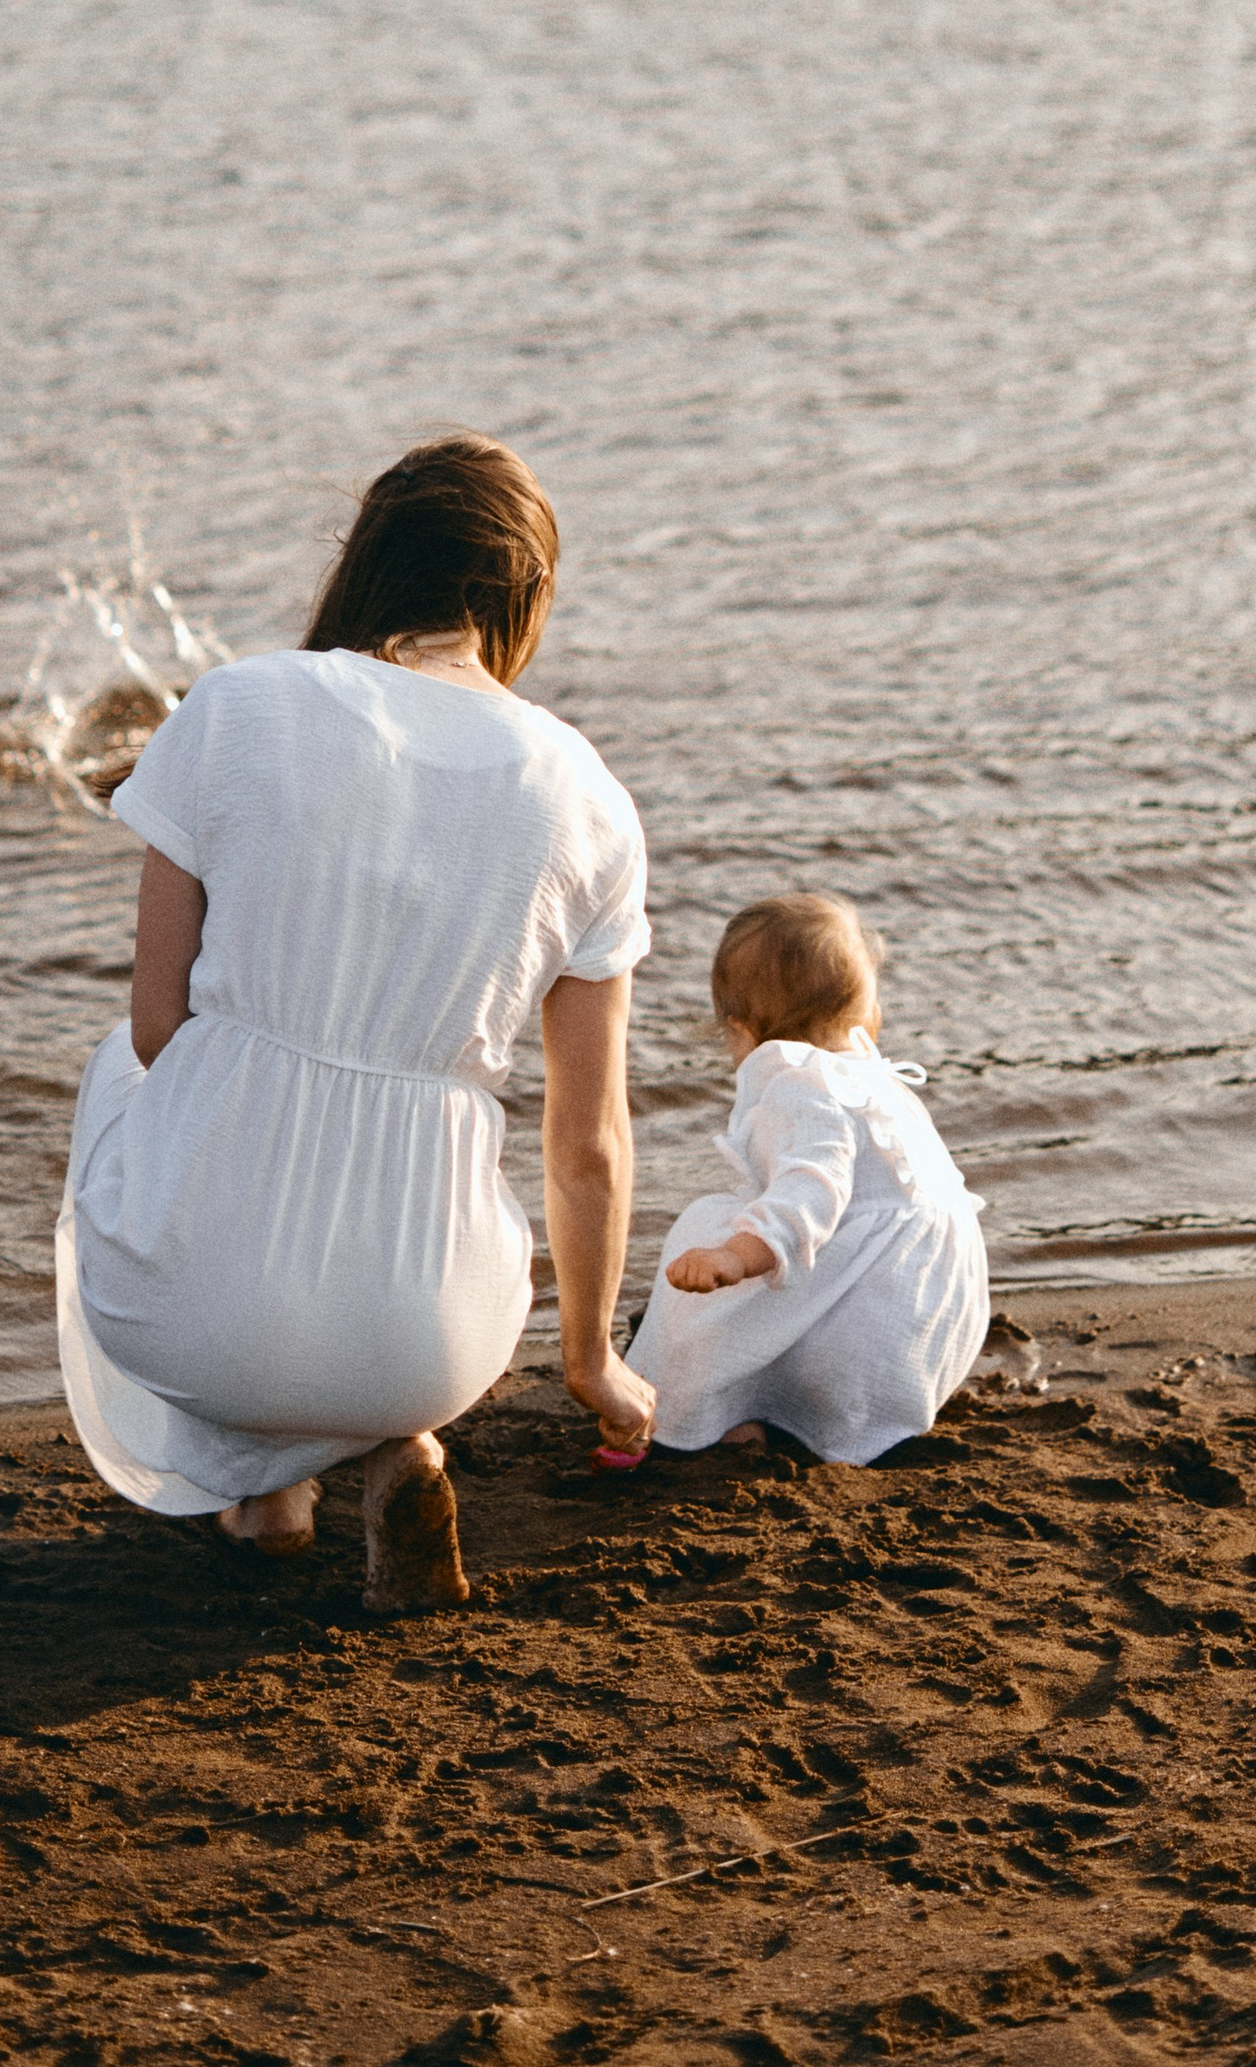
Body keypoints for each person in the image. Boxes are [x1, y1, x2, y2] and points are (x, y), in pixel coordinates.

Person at [55, 435, 656, 1614]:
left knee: (122, 1075)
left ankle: (264, 1490)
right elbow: (589, 1144)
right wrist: (593, 1364)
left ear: (369, 558)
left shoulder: (240, 703)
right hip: (432, 1343)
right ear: (525, 593)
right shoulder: (586, 794)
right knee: (422, 1175)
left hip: (194, 1323)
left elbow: (158, 1027)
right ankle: (389, 1439)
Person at [625, 892, 987, 1464]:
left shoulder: (802, 1086)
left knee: (709, 1224)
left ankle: (722, 1413)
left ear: (742, 1031)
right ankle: (803, 1409)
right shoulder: (876, 1081)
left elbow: (811, 1191)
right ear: (867, 1015)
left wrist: (737, 1256)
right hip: (928, 1328)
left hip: (860, 1339)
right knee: (782, 1241)